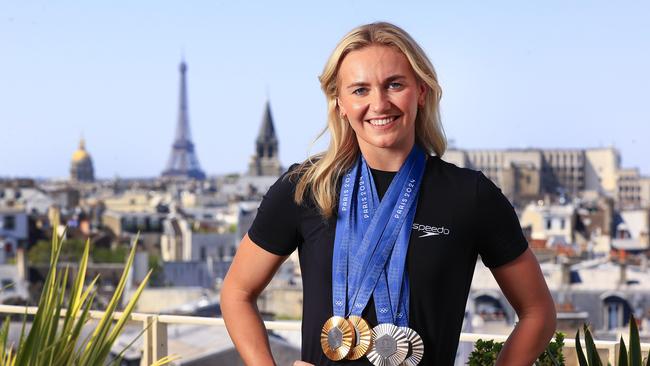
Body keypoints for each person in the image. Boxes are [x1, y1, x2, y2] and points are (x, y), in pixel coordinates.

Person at [221, 22, 556, 366]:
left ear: (421, 92)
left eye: (394, 85)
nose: (379, 104)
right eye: (360, 90)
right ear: (340, 102)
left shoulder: (470, 195)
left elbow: (538, 311)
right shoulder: (304, 187)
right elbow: (236, 293)